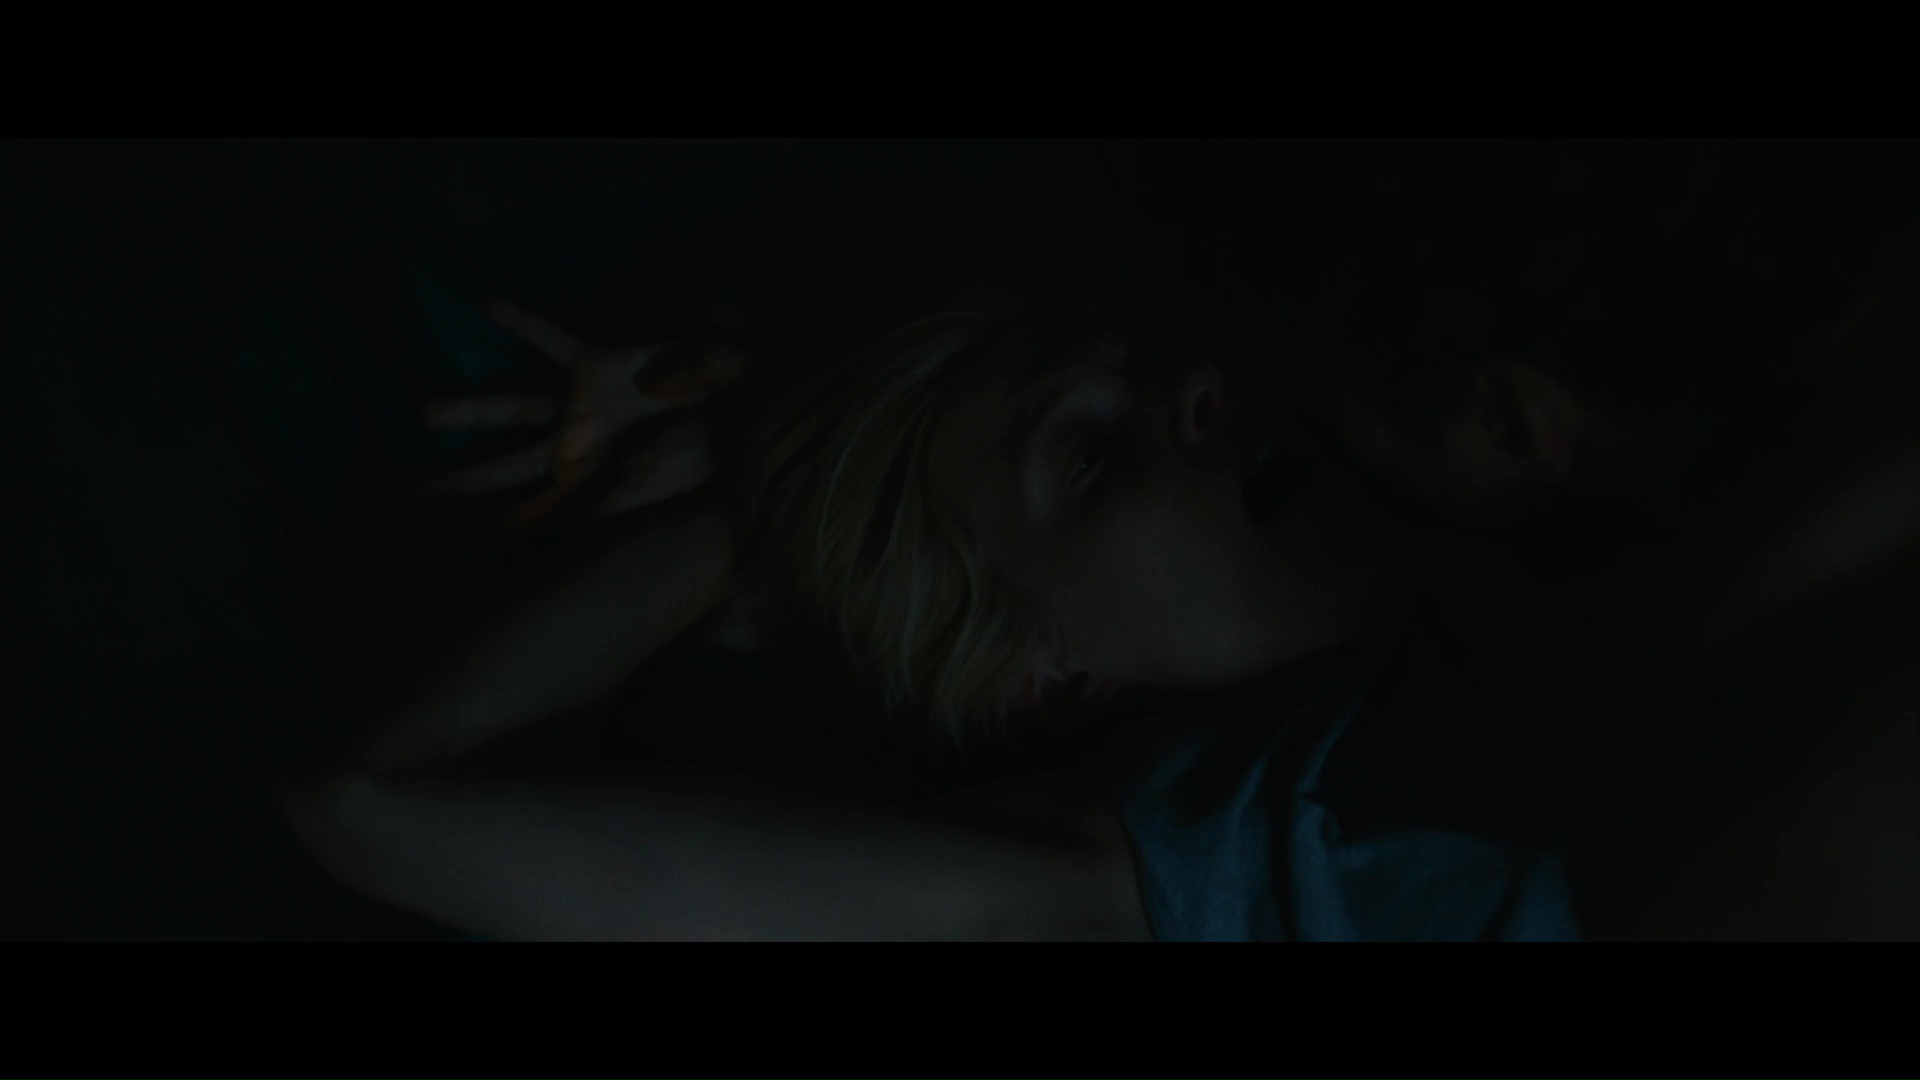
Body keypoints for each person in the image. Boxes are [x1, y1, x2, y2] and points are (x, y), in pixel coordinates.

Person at [286, 142, 1920, 940]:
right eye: (1088, 457)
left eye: (1166, 366)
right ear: (1043, 669)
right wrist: (743, 500)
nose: (1205, 390)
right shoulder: (1190, 856)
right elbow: (376, 800)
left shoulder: (1578, 461)